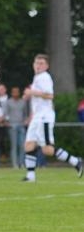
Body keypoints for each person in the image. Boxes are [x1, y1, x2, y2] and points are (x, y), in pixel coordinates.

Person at [22, 53, 83, 181]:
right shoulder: (37, 77)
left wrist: (31, 92)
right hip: (37, 117)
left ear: (47, 66)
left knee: (47, 149)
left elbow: (50, 95)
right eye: (36, 63)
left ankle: (76, 161)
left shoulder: (44, 77)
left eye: (41, 63)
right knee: (28, 144)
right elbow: (39, 100)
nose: (38, 65)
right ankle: (30, 176)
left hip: (44, 117)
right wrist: (31, 115)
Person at [4, 86, 29, 168]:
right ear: (11, 93)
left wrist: (25, 121)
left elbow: (25, 114)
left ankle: (21, 163)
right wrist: (7, 122)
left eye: (17, 92)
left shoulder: (23, 102)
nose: (15, 93)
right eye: (14, 92)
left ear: (19, 93)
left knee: (22, 146)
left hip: (21, 125)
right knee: (13, 146)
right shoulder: (8, 102)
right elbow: (6, 114)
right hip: (12, 126)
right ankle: (15, 164)